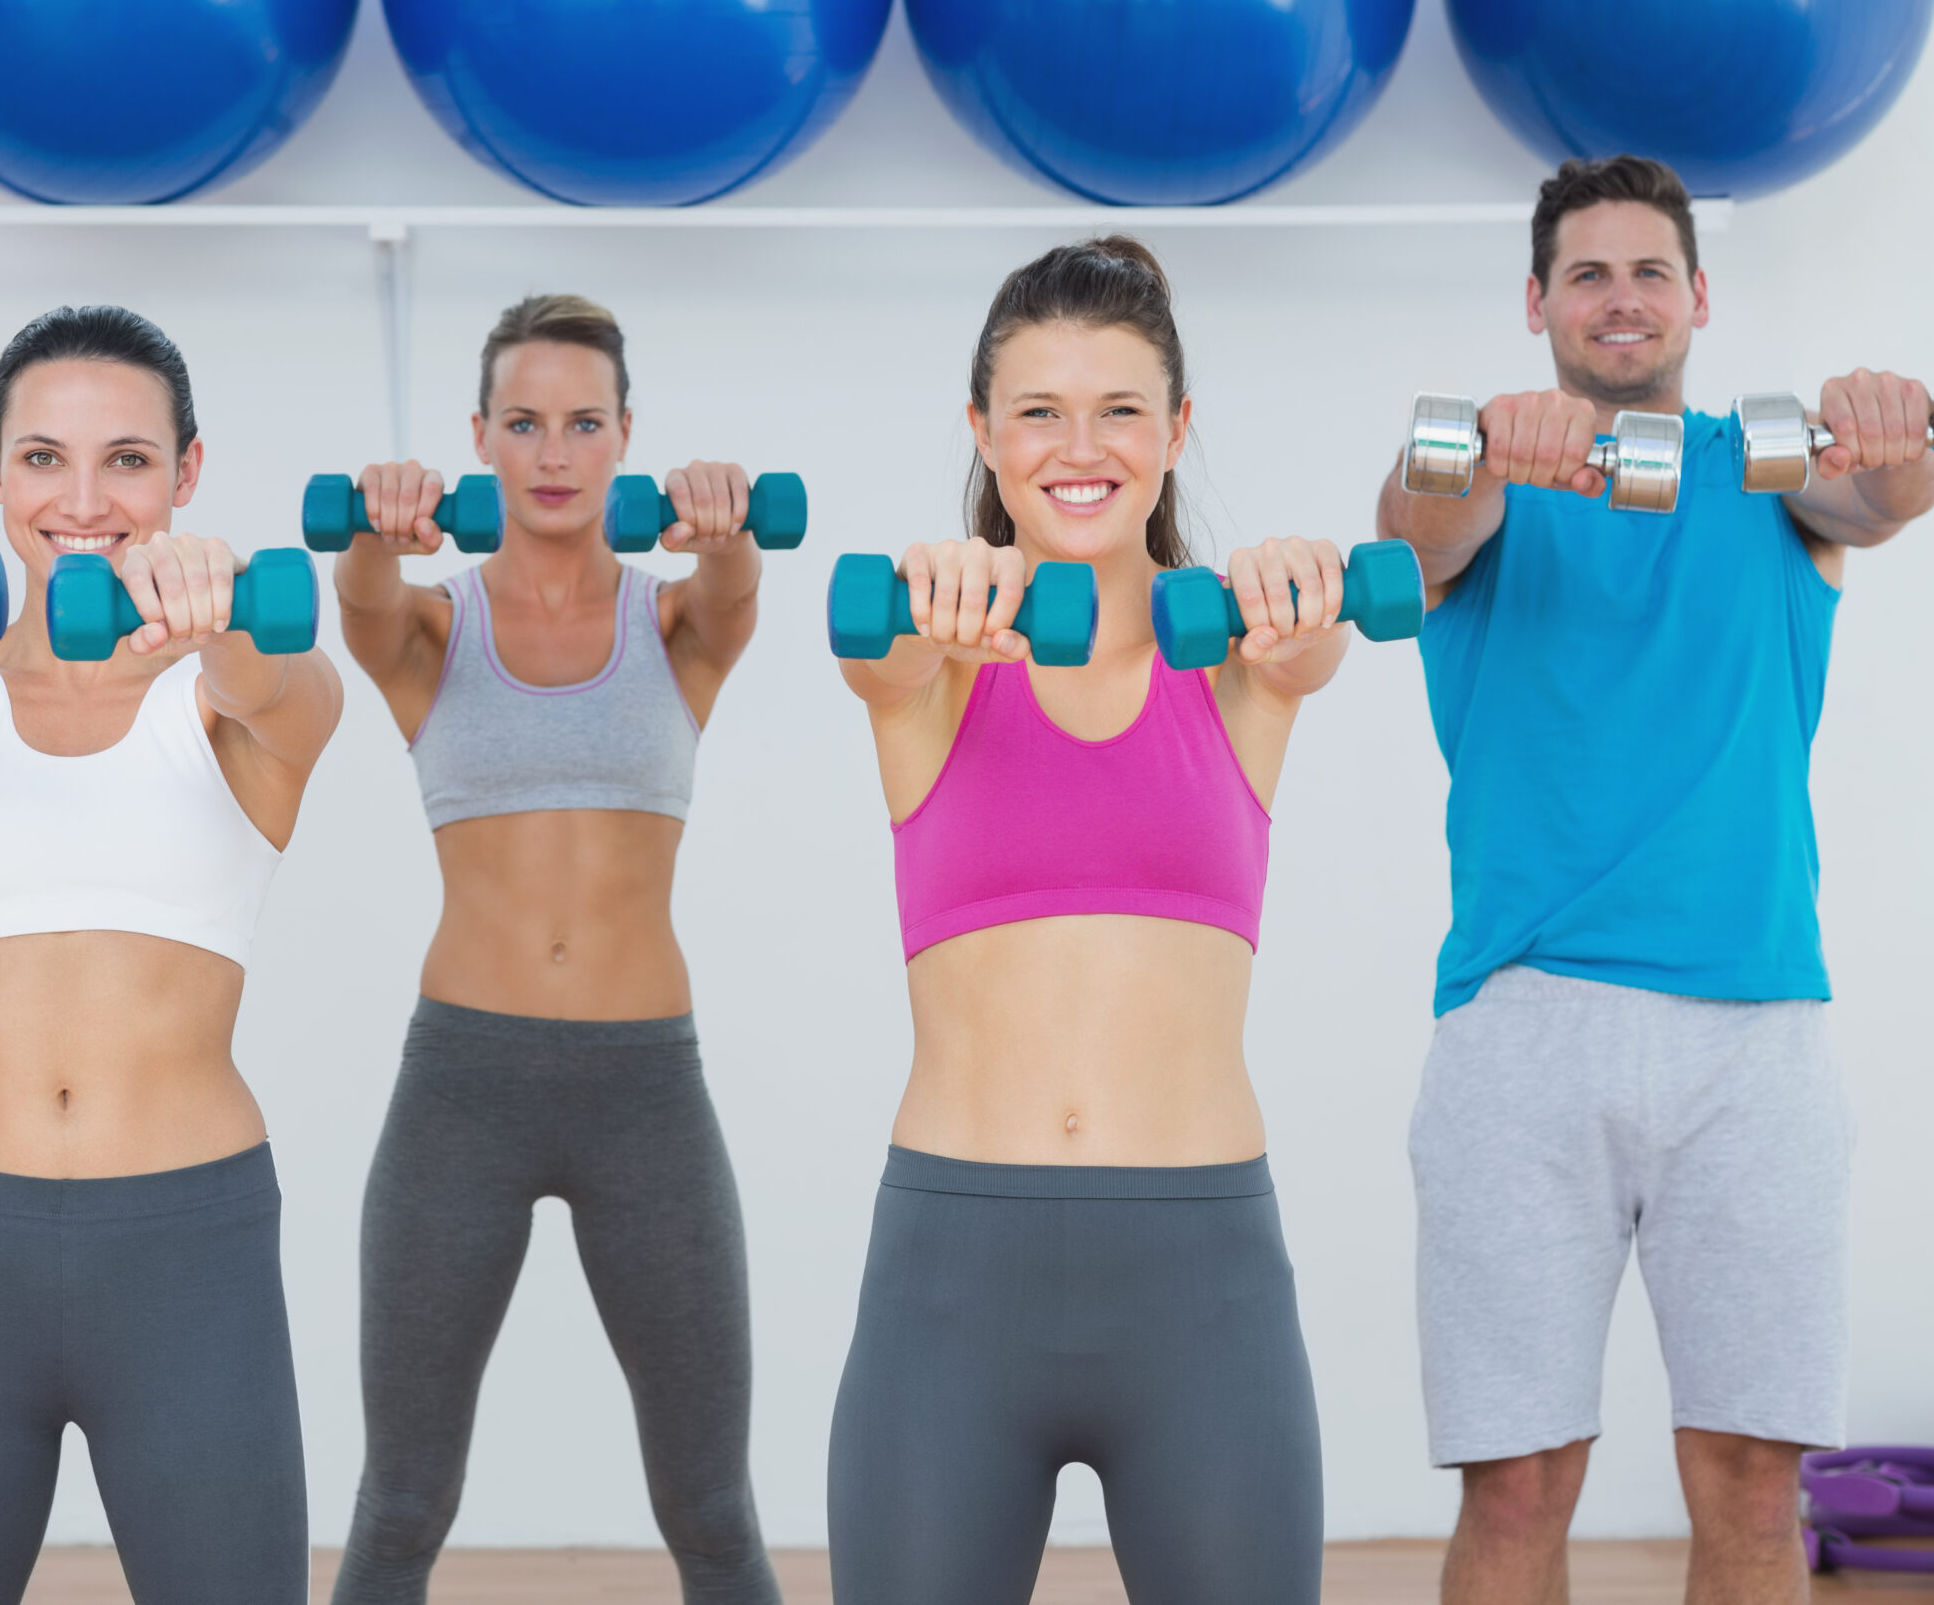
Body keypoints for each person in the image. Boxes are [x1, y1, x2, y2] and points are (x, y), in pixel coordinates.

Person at [1374, 154, 1933, 1604]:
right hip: (1521, 1025)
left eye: (1647, 272)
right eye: (1587, 274)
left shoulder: (1774, 481)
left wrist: (1892, 423)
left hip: (1755, 1035)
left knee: (1750, 1480)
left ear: (1697, 297)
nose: (1619, 298)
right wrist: (1483, 450)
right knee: (1517, 1481)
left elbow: (1886, 496)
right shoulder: (1484, 486)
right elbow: (1414, 525)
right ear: (1537, 303)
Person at [827, 238, 1349, 1605]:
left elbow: (1311, 648)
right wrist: (936, 590)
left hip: (1204, 1291)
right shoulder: (932, 659)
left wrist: (1301, 585)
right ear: (982, 432)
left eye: (1120, 408)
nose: (1080, 446)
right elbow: (875, 655)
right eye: (1039, 411)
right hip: (952, 1285)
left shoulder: (1235, 656)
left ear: (1176, 431)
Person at [0, 306, 341, 1605]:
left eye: (129, 460)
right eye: (45, 458)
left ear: (188, 472)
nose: (85, 501)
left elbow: (278, 686)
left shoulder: (237, 693)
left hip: (187, 1259)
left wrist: (220, 619)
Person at [327, 294, 779, 1605]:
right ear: (480, 438)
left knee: (711, 1506)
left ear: (627, 436)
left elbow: (734, 587)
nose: (555, 452)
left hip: (647, 1092)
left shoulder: (676, 624)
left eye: (585, 423)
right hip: (462, 1088)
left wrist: (726, 520)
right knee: (401, 1500)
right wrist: (373, 526)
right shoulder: (431, 628)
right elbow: (362, 600)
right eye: (523, 423)